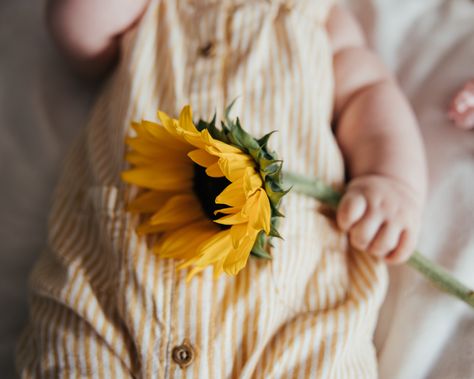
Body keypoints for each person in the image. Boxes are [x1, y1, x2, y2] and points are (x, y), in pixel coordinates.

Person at [16, 0, 426, 377]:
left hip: (289, 295)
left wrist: (390, 181)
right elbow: (78, 30)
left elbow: (367, 93)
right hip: (114, 278)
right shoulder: (152, 11)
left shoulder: (315, 16)